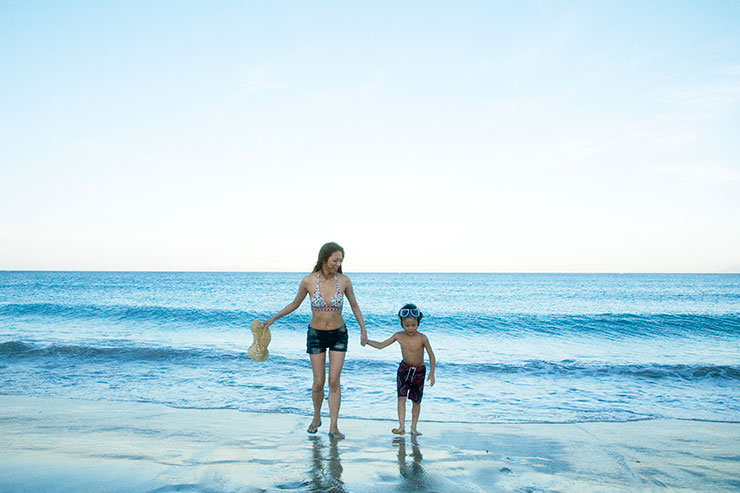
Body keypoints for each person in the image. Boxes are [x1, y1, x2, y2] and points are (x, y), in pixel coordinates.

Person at [261, 242, 367, 439]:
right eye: (335, 260)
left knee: (334, 381)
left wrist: (363, 329)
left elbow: (354, 305)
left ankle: (333, 426)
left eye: (340, 261)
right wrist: (273, 319)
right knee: (318, 382)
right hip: (316, 335)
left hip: (339, 334)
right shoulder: (308, 281)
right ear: (324, 258)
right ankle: (317, 415)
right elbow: (294, 304)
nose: (338, 264)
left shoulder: (344, 281)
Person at [366, 303, 435, 436]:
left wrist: (432, 374)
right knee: (401, 398)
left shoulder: (422, 338)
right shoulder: (398, 336)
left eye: (413, 325)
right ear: (401, 324)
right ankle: (401, 426)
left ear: (418, 323)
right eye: (407, 325)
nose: (410, 328)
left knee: (416, 401)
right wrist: (367, 341)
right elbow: (381, 345)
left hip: (419, 372)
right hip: (404, 370)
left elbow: (432, 356)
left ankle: (413, 428)